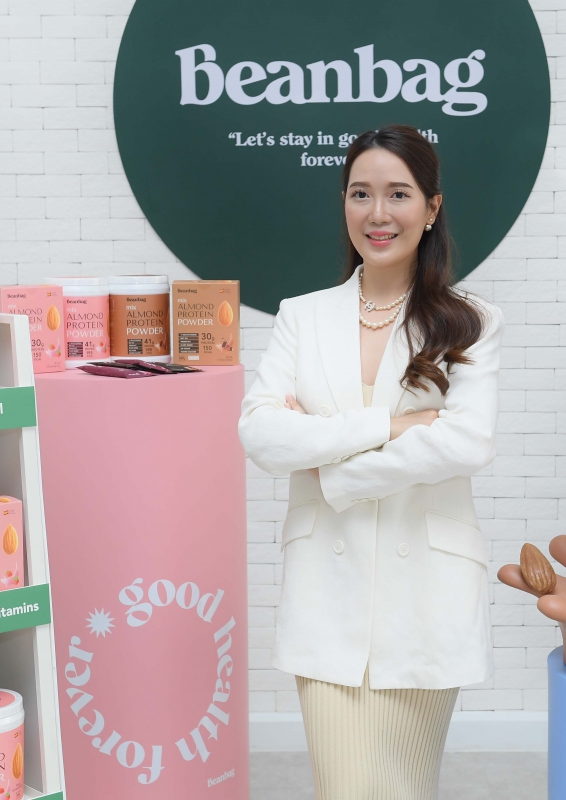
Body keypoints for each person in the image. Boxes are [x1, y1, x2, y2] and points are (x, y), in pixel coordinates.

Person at [239, 124, 503, 800]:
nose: (378, 213)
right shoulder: (302, 317)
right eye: (360, 193)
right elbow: (262, 436)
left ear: (432, 207)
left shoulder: (470, 322)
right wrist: (392, 424)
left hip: (428, 595)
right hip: (326, 593)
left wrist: (332, 467)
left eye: (398, 194)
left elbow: (466, 442)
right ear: (344, 203)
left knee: (408, 788)